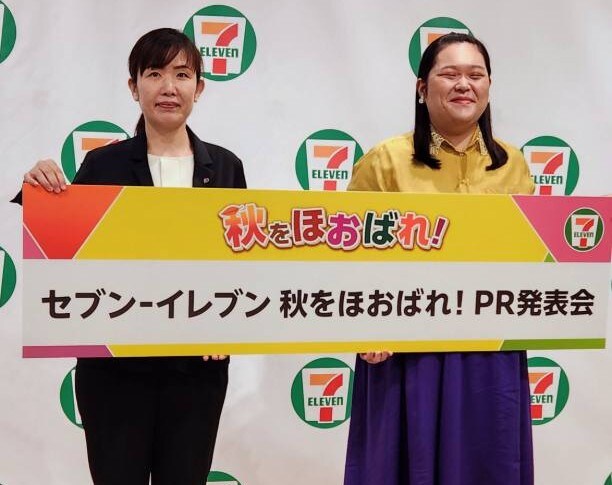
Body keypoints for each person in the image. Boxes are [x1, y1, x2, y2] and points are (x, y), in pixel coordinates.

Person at [19, 28, 246, 485]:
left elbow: (239, 263)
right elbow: (67, 253)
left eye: (182, 74)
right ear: (133, 86)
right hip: (114, 372)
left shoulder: (225, 167)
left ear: (199, 87)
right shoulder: (103, 165)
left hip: (196, 371)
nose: (168, 87)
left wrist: (228, 327)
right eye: (154, 74)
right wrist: (39, 187)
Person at [343, 33, 534, 485]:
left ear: (489, 86)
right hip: (404, 346)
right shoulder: (385, 161)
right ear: (422, 88)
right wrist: (365, 327)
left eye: (476, 75)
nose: (464, 84)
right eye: (449, 74)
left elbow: (528, 260)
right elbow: (347, 257)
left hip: (490, 349)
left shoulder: (513, 164)